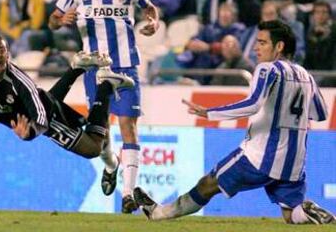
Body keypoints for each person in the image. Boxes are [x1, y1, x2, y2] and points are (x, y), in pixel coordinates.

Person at [134, 20, 336, 225]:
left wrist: (210, 112)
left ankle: (159, 213)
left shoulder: (268, 68)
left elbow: (254, 104)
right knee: (291, 215)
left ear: (279, 46)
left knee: (208, 184)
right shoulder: (306, 76)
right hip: (293, 161)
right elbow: (320, 113)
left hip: (260, 155)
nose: (256, 47)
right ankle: (309, 211)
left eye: (262, 42)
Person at [48, 0, 160, 213]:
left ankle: (127, 193)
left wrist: (153, 22)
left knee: (128, 127)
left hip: (126, 66)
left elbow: (149, 8)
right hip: (94, 68)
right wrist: (62, 20)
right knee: (101, 134)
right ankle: (111, 165)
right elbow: (52, 21)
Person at [0, 33, 135, 160]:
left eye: (1, 50)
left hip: (45, 117)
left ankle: (106, 85)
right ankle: (76, 68)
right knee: (48, 99)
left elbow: (42, 119)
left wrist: (29, 133)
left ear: (8, 55)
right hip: (35, 107)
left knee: (93, 149)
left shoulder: (19, 81)